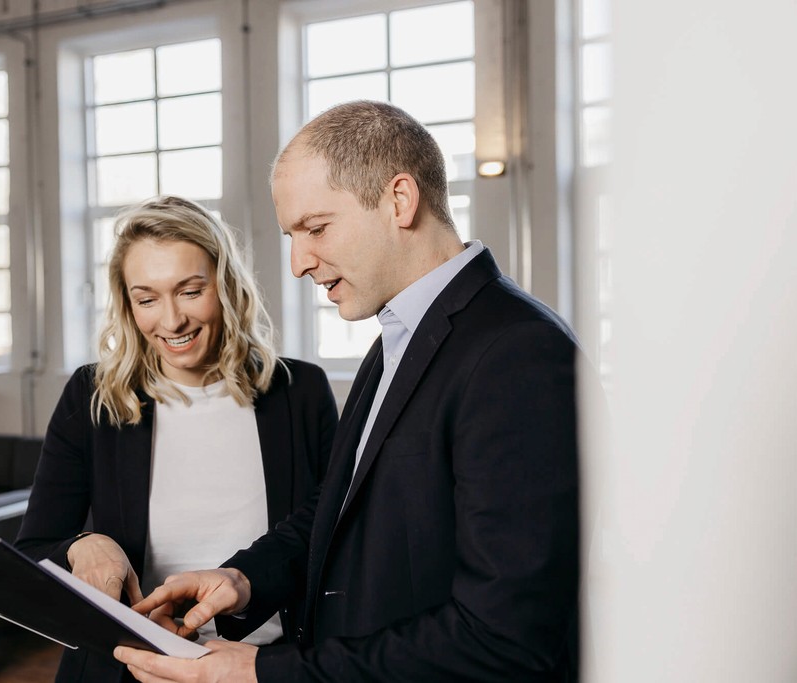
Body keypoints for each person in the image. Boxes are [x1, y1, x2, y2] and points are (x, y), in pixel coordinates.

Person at [116, 100, 582, 682]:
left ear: (400, 200)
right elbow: (341, 507)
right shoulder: (398, 336)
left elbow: (504, 639)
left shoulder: (517, 352)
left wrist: (265, 673)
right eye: (291, 235)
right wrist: (246, 578)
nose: (297, 263)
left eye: (315, 228)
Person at [15, 195, 339, 682]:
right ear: (128, 304)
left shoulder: (301, 391)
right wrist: (84, 544)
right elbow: (35, 547)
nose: (171, 322)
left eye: (190, 291)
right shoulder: (91, 395)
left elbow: (329, 528)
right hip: (132, 667)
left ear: (225, 285)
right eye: (147, 299)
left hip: (264, 665)